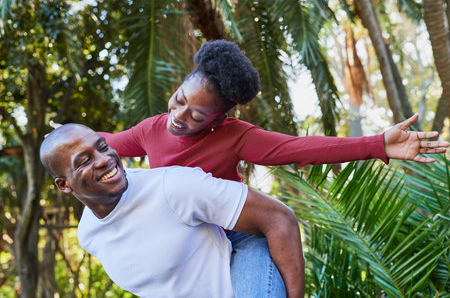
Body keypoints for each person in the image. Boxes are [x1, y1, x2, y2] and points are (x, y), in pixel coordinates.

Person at [50, 40, 449, 297]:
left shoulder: (236, 135)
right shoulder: (152, 128)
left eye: (196, 115)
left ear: (218, 120)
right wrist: (65, 137)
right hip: (193, 244)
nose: (178, 116)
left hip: (242, 239)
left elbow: (300, 149)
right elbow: (105, 145)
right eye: (178, 100)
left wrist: (377, 143)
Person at [40, 123, 305, 298]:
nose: (105, 160)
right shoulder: (89, 235)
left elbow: (279, 218)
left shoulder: (173, 186)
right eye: (84, 160)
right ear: (64, 185)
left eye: (102, 146)